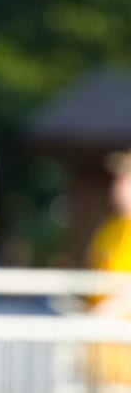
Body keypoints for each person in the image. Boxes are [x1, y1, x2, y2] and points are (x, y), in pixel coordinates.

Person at [85, 148, 131, 388]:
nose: (119, 184)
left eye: (127, 177)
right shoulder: (110, 230)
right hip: (104, 360)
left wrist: (101, 317)